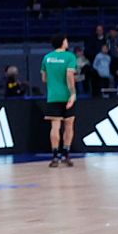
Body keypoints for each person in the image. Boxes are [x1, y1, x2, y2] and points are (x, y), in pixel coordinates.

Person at [41, 35, 77, 168]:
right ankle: (66, 153)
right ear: (63, 42)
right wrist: (72, 93)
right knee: (68, 125)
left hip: (53, 96)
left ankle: (55, 156)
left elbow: (44, 79)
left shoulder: (47, 57)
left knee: (55, 127)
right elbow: (69, 75)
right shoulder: (69, 56)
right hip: (67, 96)